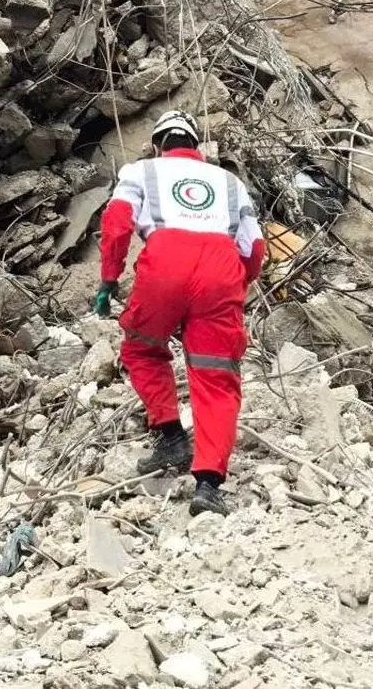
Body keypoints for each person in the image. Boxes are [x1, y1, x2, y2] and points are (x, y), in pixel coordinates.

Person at [95, 110, 265, 516]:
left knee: (142, 348)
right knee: (216, 377)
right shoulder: (229, 182)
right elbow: (255, 250)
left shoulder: (141, 170)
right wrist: (234, 286)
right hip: (221, 270)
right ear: (197, 149)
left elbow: (116, 224)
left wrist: (107, 281)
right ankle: (208, 485)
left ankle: (170, 437)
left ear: (158, 145)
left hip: (165, 263)